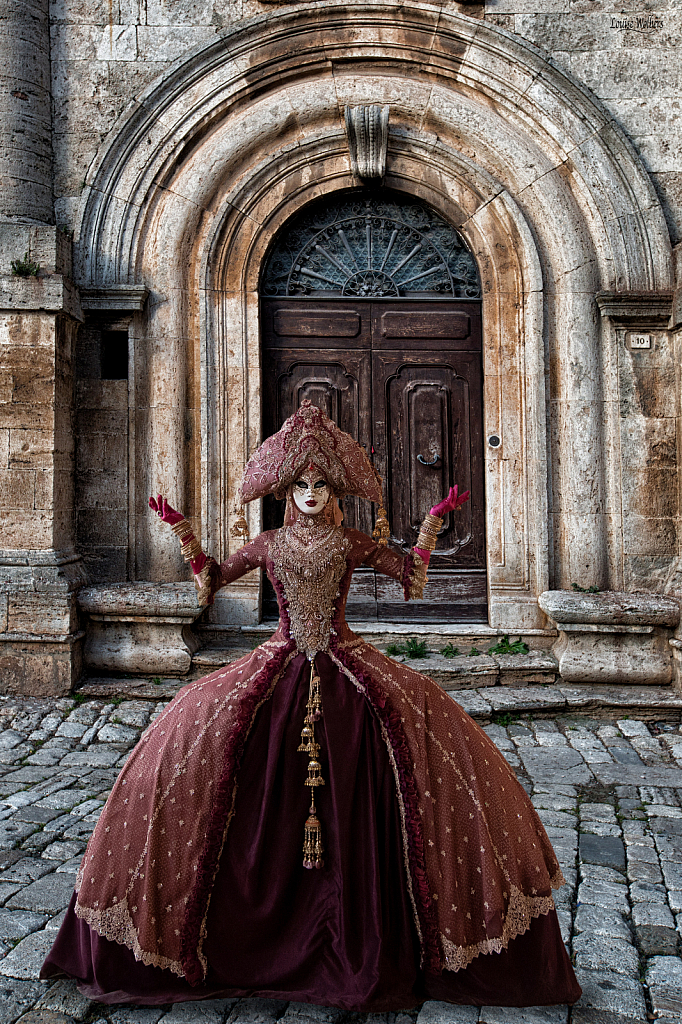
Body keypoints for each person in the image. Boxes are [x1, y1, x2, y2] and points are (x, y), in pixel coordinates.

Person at [42, 400, 580, 1009]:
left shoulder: (352, 541)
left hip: (350, 668)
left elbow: (409, 576)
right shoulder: (269, 544)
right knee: (194, 757)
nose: (312, 493)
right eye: (302, 484)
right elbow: (214, 579)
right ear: (285, 490)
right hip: (278, 665)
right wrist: (184, 533)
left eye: (321, 484)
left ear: (332, 489)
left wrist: (431, 522)